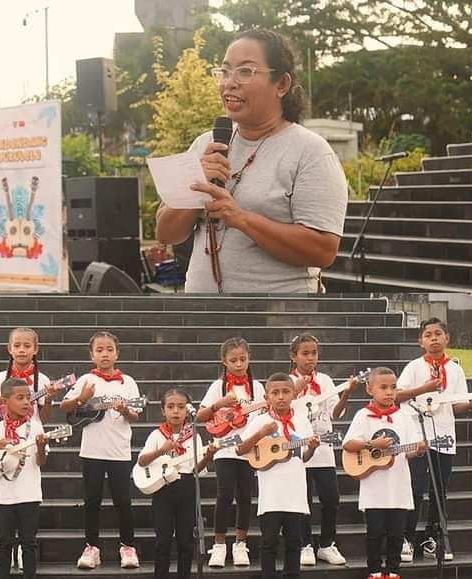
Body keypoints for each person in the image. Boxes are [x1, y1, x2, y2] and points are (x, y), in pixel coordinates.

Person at [155, 28, 348, 293]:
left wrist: (242, 219)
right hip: (204, 316)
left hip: (277, 320)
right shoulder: (204, 144)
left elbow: (323, 251)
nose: (229, 83)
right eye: (224, 71)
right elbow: (165, 234)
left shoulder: (311, 152)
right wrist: (196, 185)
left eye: (245, 72)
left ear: (281, 84)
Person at [0, 327, 64, 571]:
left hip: (29, 435)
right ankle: (6, 552)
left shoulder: (42, 380)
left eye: (27, 346)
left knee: (27, 530)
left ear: (35, 350)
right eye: (17, 345)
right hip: (4, 437)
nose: (22, 350)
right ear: (9, 348)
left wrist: (49, 398)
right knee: (5, 526)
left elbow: (43, 417)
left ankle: (24, 554)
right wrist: (4, 398)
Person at [395, 318, 472, 562]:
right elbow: (397, 396)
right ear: (420, 341)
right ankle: (406, 537)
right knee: (415, 487)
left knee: (439, 490)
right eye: (428, 335)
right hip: (416, 434)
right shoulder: (414, 367)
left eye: (438, 334)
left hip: (444, 435)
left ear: (447, 338)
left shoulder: (455, 369)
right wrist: (423, 388)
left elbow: (455, 406)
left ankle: (431, 536)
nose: (433, 338)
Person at [60, 331, 141, 570]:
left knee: (123, 500)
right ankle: (91, 547)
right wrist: (81, 398)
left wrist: (125, 410)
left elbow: (136, 414)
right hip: (92, 451)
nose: (104, 354)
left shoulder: (128, 382)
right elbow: (65, 406)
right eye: (99, 350)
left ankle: (127, 547)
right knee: (92, 499)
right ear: (92, 354)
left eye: (109, 350)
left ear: (117, 353)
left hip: (119, 451)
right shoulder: (86, 379)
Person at [343, 367, 426, 579]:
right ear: (370, 390)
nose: (389, 392)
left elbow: (407, 451)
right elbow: (349, 445)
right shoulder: (363, 415)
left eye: (393, 387)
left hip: (398, 485)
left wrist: (417, 450)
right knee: (375, 533)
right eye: (383, 387)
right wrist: (373, 444)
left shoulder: (404, 416)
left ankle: (394, 571)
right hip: (374, 486)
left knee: (397, 534)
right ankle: (374, 571)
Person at [236, 373, 319, 578]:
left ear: (293, 394)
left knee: (294, 542)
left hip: (295, 494)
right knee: (269, 542)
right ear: (267, 397)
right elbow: (240, 449)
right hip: (271, 495)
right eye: (275, 393)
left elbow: (304, 457)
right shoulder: (261, 421)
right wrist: (261, 433)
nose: (281, 396)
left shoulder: (301, 421)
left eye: (285, 392)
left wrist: (313, 448)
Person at [194, 337, 266, 567]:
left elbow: (267, 412)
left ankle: (240, 544)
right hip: (224, 448)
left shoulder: (258, 387)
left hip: (249, 448)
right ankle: (219, 545)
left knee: (245, 496)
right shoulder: (218, 387)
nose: (238, 364)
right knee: (224, 495)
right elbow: (199, 417)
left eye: (243, 359)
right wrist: (219, 404)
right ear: (223, 361)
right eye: (233, 360)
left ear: (249, 358)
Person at [289, 334, 356, 567]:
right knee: (302, 498)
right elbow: (280, 410)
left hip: (324, 447)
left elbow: (335, 414)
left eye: (314, 353)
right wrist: (295, 389)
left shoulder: (326, 381)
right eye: (304, 353)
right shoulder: (286, 381)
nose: (310, 358)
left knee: (331, 498)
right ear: (293, 356)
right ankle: (305, 544)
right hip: (299, 448)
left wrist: (347, 392)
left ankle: (327, 544)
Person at [0, 378, 48, 579]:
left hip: (30, 494)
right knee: (4, 543)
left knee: (29, 543)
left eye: (29, 398)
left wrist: (40, 447)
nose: (26, 402)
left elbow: (41, 462)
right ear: (5, 402)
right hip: (4, 497)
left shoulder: (36, 427)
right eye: (20, 398)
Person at [138, 388, 216, 579]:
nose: (176, 411)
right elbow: (142, 461)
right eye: (170, 407)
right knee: (163, 541)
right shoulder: (157, 435)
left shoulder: (194, 436)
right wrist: (161, 450)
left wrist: (208, 456)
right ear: (163, 411)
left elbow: (197, 469)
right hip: (163, 489)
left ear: (187, 410)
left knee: (186, 542)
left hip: (187, 487)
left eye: (181, 407)